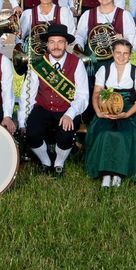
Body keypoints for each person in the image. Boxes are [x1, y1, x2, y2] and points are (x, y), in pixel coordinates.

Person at [19, 24, 87, 174]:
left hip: (66, 109)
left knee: (66, 135)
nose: (56, 46)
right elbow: (27, 95)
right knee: (32, 133)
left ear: (66, 44)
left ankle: (58, 163)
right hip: (43, 108)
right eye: (52, 42)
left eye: (60, 42)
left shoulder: (77, 64)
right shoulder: (38, 64)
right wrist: (23, 120)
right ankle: (45, 161)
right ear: (47, 44)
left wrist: (70, 114)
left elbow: (82, 96)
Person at [85, 39, 136, 188]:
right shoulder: (104, 70)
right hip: (106, 109)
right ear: (112, 53)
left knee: (124, 135)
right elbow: (96, 94)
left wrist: (127, 114)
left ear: (130, 55)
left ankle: (119, 173)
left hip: (128, 111)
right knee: (104, 133)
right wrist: (99, 113)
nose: (121, 56)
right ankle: (106, 173)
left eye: (125, 53)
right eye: (118, 52)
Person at [18, 0, 76, 71]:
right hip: (35, 62)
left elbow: (71, 38)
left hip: (59, 61)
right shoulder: (27, 14)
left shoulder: (64, 12)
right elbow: (19, 40)